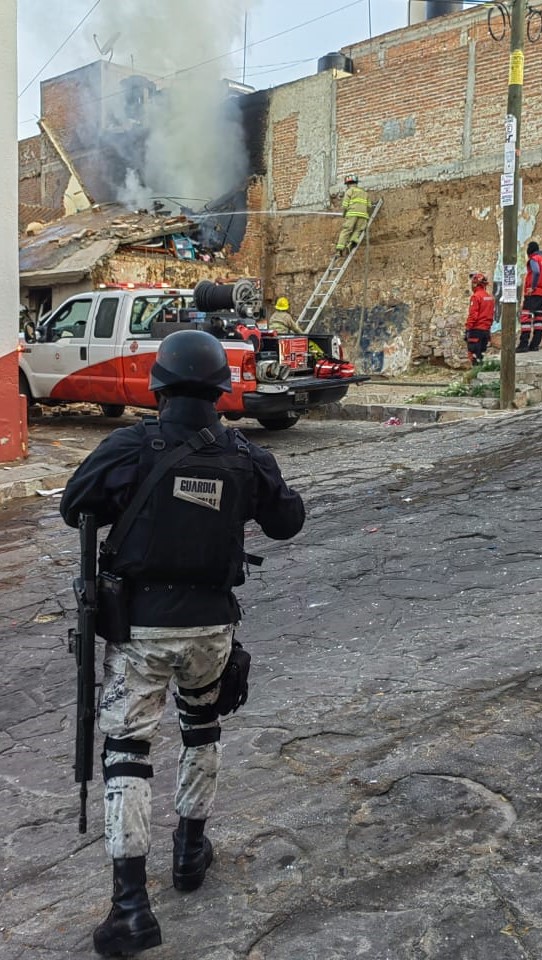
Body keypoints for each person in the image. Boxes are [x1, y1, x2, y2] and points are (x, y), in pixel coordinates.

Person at [60, 330, 305, 956]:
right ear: (222, 390)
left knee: (128, 751)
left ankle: (131, 908)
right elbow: (288, 521)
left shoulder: (130, 444)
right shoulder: (245, 454)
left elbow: (74, 504)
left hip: (142, 628)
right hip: (211, 627)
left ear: (160, 386)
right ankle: (191, 851)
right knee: (202, 727)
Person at [519, 241, 542, 351]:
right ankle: (535, 345)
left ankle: (523, 345)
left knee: (526, 317)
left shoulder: (534, 259)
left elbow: (536, 271)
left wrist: (533, 287)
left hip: (532, 294)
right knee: (538, 318)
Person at [335, 173, 372, 255]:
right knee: (358, 230)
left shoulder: (349, 191)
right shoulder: (364, 193)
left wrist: (344, 214)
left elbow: (345, 206)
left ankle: (339, 250)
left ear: (348, 184)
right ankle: (351, 243)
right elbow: (369, 206)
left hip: (352, 214)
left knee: (347, 230)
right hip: (363, 215)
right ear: (356, 183)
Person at [465, 272, 495, 365]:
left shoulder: (476, 296)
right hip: (486, 330)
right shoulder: (489, 297)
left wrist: (468, 328)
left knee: (474, 356)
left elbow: (473, 315)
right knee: (481, 356)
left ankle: (475, 375)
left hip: (476, 330)